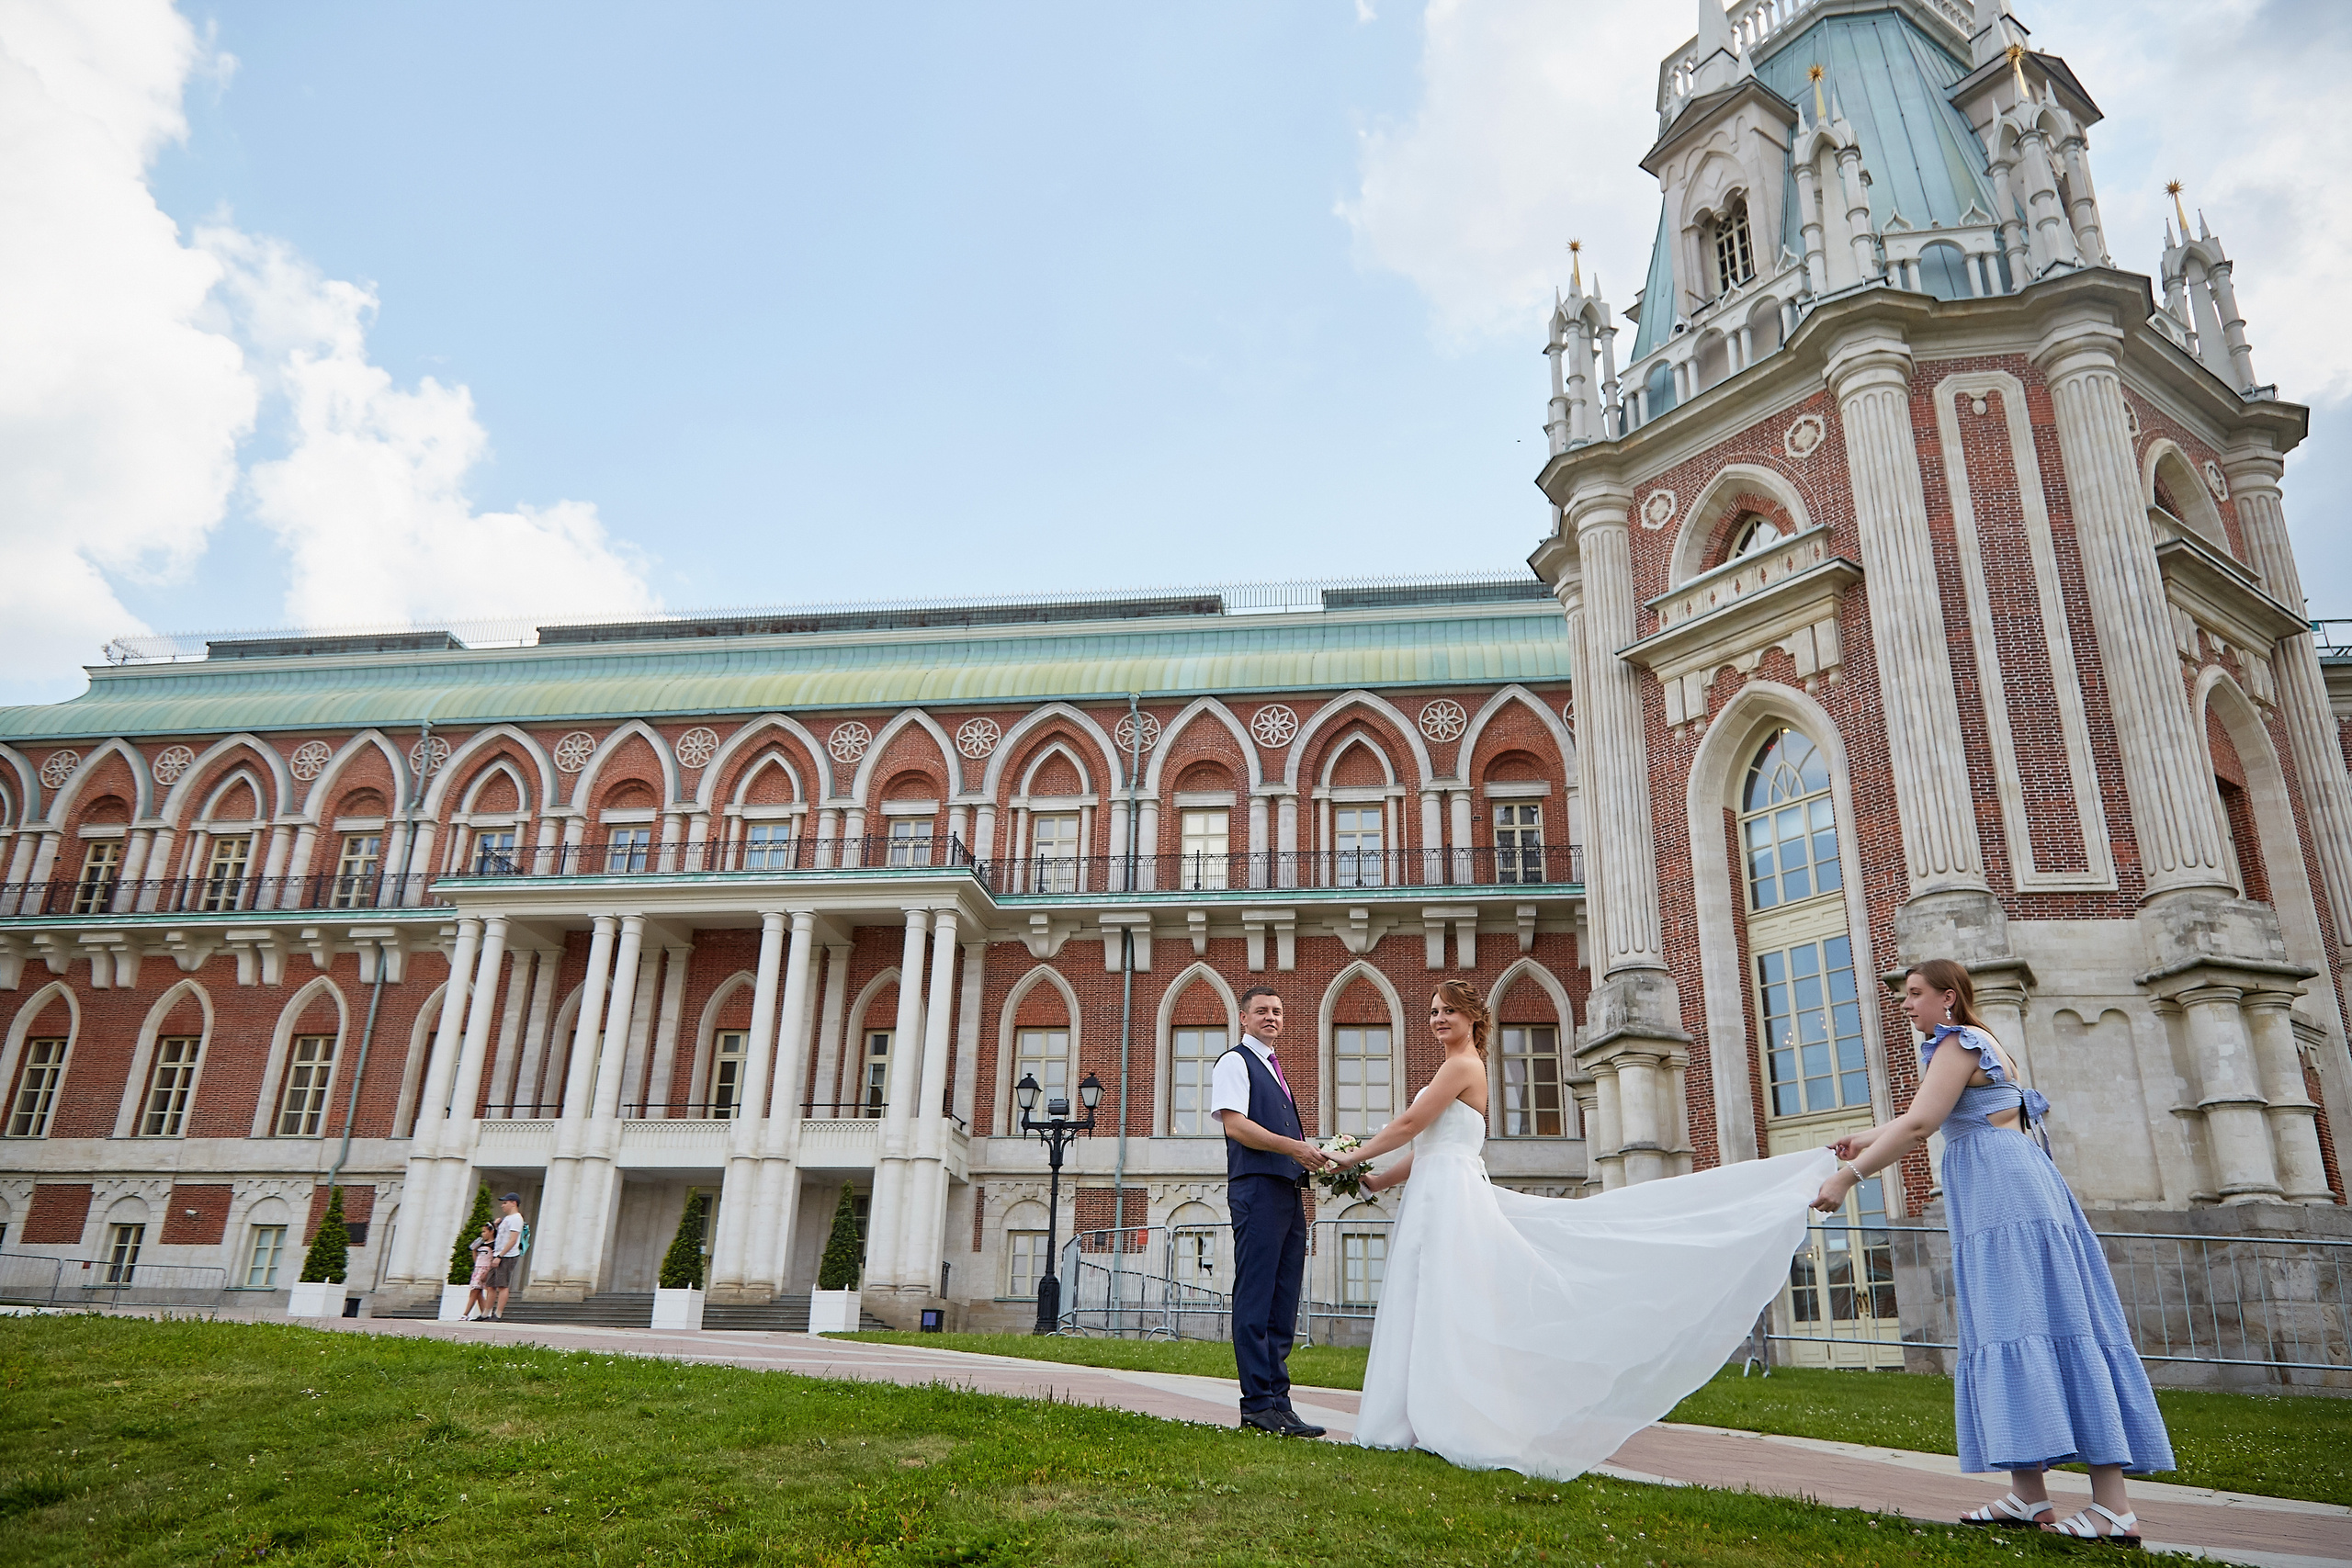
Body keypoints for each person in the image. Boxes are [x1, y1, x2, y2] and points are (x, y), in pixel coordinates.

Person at [1330, 979, 1832, 1481]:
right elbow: (1425, 1149)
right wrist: (1373, 1179)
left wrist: (1350, 1156)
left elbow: (1410, 1124)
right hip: (1433, 1191)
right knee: (1423, 1300)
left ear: (1473, 1019)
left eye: (1450, 1012)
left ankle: (1448, 1420)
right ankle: (1409, 1420)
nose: (1439, 1019)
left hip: (1448, 1197)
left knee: (1446, 1300)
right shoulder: (1451, 1067)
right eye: (1435, 1011)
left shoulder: (1462, 1066)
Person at [1813, 960, 2173, 1543]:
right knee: (2009, 1325)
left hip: (2006, 1197)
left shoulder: (1955, 1042)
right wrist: (1867, 1136)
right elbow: (1927, 1117)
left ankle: (2113, 1508)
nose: (1906, 1005)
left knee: (2052, 1323)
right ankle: (2029, 1497)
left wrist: (1848, 1177)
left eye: (1914, 994)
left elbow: (1921, 1126)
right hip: (2002, 1189)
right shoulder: (1975, 1042)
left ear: (1948, 998)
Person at [1210, 985, 1335, 1437]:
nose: (1271, 1017)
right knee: (1257, 1296)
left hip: (1287, 1190)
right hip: (1256, 1188)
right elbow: (1236, 1125)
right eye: (1261, 1011)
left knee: (1283, 1301)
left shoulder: (1275, 1069)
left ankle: (1279, 1404)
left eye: (1278, 1011)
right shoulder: (1235, 1062)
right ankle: (1257, 1405)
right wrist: (1295, 1148)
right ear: (1243, 1018)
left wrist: (1310, 1158)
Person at [485, 1191, 526, 1321]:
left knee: (502, 1285)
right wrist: (496, 1225)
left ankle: (498, 1314)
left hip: (507, 1255)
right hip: (498, 1254)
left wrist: (500, 1256)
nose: (503, 1206)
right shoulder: (507, 1219)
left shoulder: (516, 1218)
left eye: (505, 1203)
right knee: (490, 1285)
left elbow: (513, 1240)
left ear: (513, 1203)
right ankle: (485, 1313)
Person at [461, 1223, 496, 1321]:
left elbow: (492, 1260)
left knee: (474, 1291)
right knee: (478, 1293)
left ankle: (465, 1314)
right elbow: (476, 1260)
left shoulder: (493, 1245)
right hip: (477, 1269)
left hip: (484, 1269)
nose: (483, 1234)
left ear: (491, 1232)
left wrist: (488, 1271)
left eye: (485, 1231)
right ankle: (485, 1314)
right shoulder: (481, 1245)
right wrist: (474, 1250)